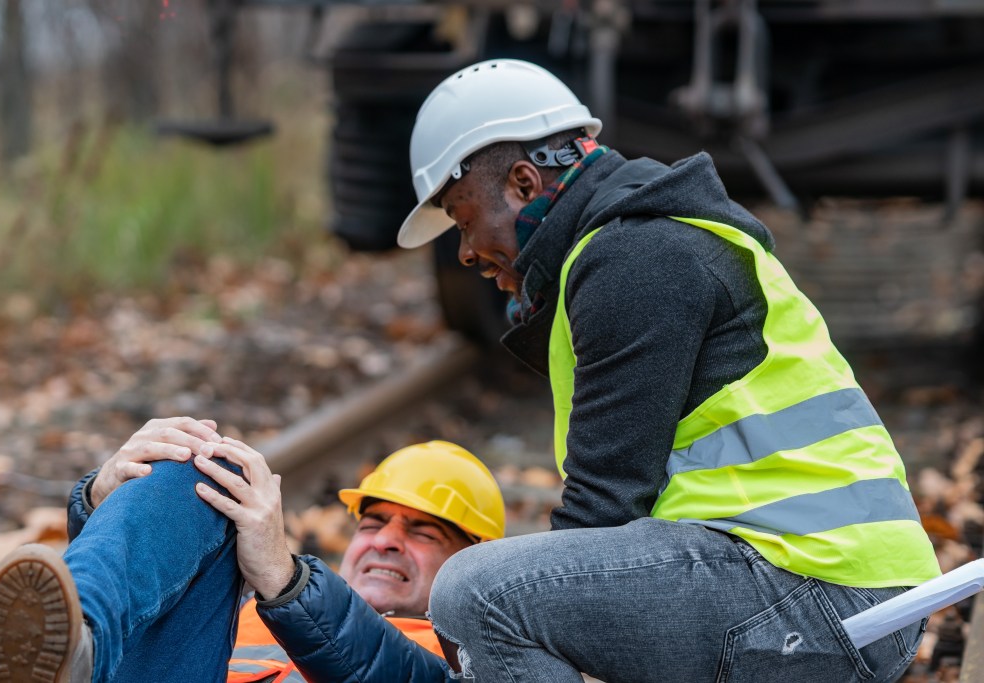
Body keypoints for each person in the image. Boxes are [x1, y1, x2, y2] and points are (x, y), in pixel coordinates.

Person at [396, 58, 942, 682]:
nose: (466, 252)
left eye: (464, 220)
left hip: (818, 592)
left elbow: (601, 511)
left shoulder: (635, 258)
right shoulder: (637, 240)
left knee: (478, 594)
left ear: (523, 183)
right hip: (817, 581)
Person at [0, 417, 505, 683]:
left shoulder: (475, 660)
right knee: (206, 465)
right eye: (373, 523)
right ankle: (80, 639)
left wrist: (284, 580)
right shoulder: (246, 611)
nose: (386, 539)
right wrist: (97, 501)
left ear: (478, 565)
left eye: (424, 533)